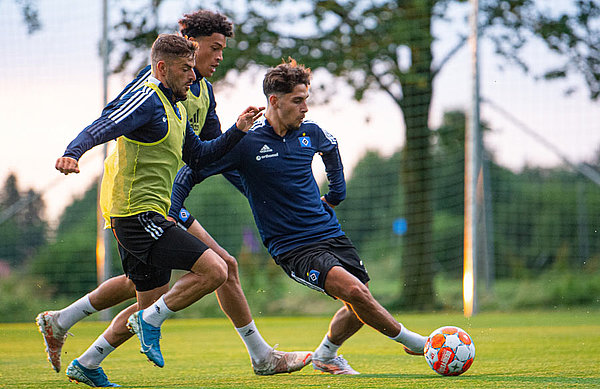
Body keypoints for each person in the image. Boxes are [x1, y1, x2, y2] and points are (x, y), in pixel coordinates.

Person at [36, 10, 311, 382]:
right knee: (220, 267)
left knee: (147, 294)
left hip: (164, 198)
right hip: (137, 202)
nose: (219, 58)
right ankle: (262, 357)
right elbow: (111, 118)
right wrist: (74, 150)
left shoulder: (199, 93)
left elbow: (210, 155)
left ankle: (73, 340)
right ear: (188, 50)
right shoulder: (153, 90)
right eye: (214, 49)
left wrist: (257, 189)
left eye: (223, 51)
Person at [170, 58, 429, 375]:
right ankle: (420, 344)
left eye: (306, 99)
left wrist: (336, 195)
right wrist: (174, 212)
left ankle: (327, 355)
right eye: (298, 100)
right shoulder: (245, 142)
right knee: (356, 293)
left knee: (359, 301)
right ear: (275, 101)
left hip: (330, 234)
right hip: (294, 248)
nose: (305, 108)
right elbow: (190, 173)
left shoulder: (310, 132)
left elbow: (331, 148)